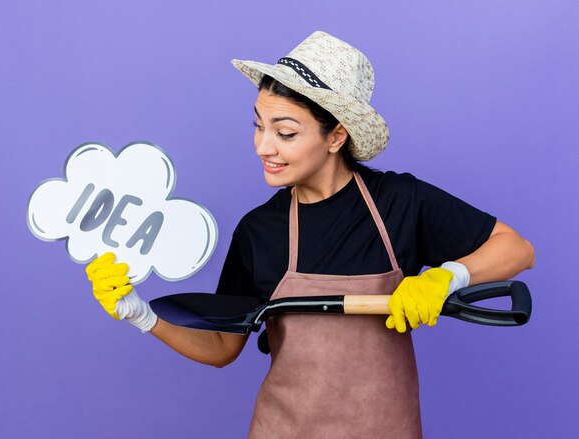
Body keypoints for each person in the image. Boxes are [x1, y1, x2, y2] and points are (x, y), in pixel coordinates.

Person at [85, 31, 535, 438]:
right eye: (259, 126)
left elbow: (516, 248)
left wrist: (447, 277)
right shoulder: (260, 231)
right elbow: (223, 347)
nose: (264, 146)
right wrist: (141, 314)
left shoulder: (400, 202)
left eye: (285, 132)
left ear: (336, 136)